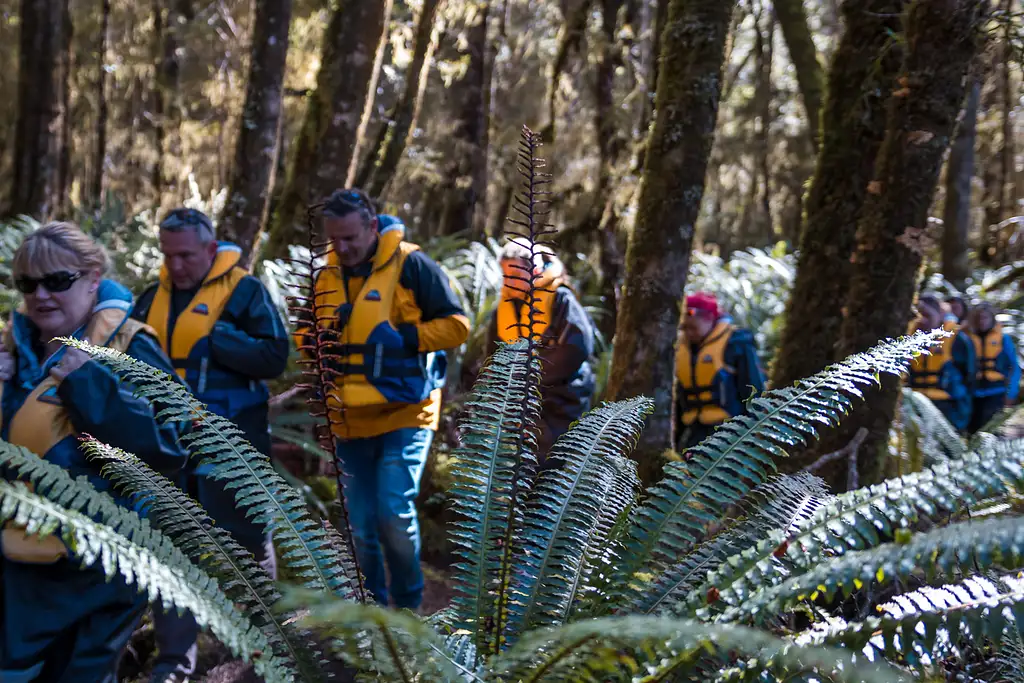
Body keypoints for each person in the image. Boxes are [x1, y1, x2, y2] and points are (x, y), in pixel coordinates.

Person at [0, 222, 187, 682]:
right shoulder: (12, 348)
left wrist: (88, 385)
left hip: (99, 569)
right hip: (18, 565)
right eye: (28, 284)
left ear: (93, 279)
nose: (41, 295)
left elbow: (173, 441)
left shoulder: (132, 345)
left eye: (57, 281)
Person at [131, 207, 289, 682]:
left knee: (245, 542)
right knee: (170, 545)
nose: (175, 265)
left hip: (232, 442)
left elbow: (274, 356)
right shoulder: (150, 298)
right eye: (168, 255)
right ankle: (175, 661)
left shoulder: (245, 292)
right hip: (167, 444)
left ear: (209, 248)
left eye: (185, 255)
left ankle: (267, 645)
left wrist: (222, 340)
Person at [298, 188, 469, 612]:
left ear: (372, 227)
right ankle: (368, 611)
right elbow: (303, 333)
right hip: (348, 419)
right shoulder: (325, 277)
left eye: (351, 237)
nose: (342, 247)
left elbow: (457, 325)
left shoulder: (413, 266)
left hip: (405, 413)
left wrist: (406, 339)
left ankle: (409, 609)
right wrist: (316, 343)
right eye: (333, 239)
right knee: (359, 526)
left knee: (393, 513)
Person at [485, 239, 596, 461]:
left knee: (552, 471)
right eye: (505, 276)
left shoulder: (560, 298)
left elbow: (577, 347)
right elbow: (492, 355)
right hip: (520, 406)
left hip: (562, 403)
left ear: (534, 270)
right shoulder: (504, 308)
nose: (509, 282)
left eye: (515, 276)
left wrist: (532, 374)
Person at [674, 292, 766, 451]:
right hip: (694, 432)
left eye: (692, 327)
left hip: (731, 431)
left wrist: (754, 433)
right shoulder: (682, 348)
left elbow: (753, 389)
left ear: (709, 318)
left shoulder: (736, 342)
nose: (688, 333)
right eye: (684, 328)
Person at [907, 294, 975, 432]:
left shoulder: (956, 338)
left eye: (927, 315)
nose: (922, 320)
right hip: (915, 404)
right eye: (918, 315)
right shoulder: (907, 340)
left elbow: (970, 375)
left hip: (948, 405)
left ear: (939, 314)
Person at [965, 301, 1020, 432]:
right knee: (972, 430)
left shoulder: (1003, 339)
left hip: (996, 392)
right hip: (973, 393)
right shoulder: (967, 339)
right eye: (978, 318)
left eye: (985, 318)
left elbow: (1014, 368)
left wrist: (1011, 393)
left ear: (991, 319)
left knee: (990, 430)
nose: (981, 321)